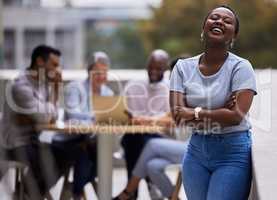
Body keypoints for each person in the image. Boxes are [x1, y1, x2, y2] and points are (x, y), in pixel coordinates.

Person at [170, 5, 257, 200]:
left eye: (227, 21)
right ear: (203, 28)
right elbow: (177, 116)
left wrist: (194, 112)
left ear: (233, 35)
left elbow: (235, 117)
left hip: (232, 153)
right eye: (214, 18)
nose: (219, 21)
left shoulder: (241, 68)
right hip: (195, 152)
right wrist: (220, 111)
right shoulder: (183, 68)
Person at [0, 45, 62, 199]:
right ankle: (28, 193)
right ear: (40, 61)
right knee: (53, 157)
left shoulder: (44, 85)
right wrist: (54, 92)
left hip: (32, 140)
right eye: (54, 64)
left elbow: (52, 117)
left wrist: (53, 93)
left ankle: (26, 192)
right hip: (13, 143)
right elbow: (44, 117)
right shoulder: (21, 86)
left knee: (68, 151)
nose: (58, 69)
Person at [53, 51, 113, 199]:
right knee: (86, 151)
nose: (101, 76)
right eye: (97, 72)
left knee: (100, 153)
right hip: (69, 140)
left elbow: (108, 119)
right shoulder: (75, 87)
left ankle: (75, 189)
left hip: (92, 140)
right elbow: (73, 114)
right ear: (89, 71)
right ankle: (78, 192)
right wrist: (97, 116)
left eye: (104, 72)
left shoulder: (108, 93)